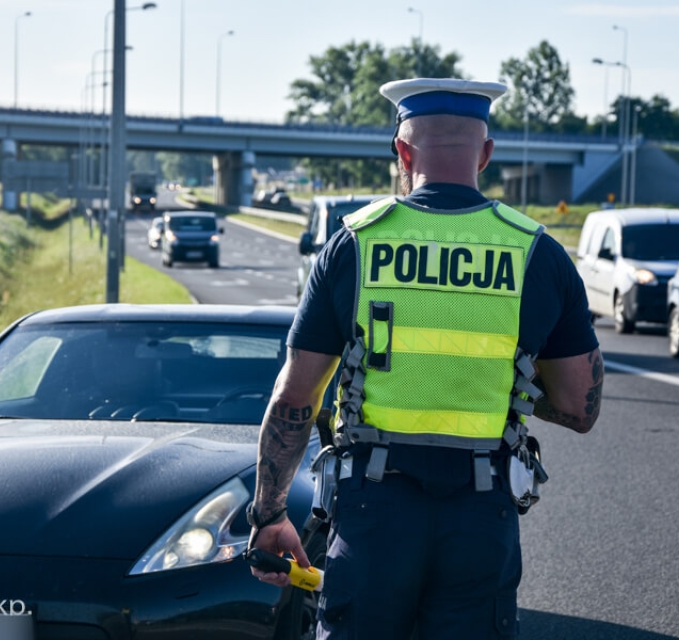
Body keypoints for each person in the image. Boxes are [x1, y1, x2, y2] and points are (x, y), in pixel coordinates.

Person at [247, 77, 603, 639]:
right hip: (483, 510)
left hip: (372, 510)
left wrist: (268, 514)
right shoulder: (537, 252)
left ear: (402, 152)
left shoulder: (354, 244)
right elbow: (579, 407)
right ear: (486, 154)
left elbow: (296, 396)